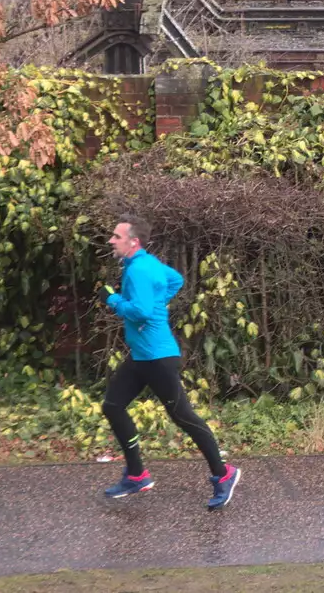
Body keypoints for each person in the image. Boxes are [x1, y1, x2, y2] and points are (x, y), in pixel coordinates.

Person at [100, 215, 240, 509]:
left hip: (158, 358)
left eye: (116, 236)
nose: (111, 240)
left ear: (133, 241)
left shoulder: (138, 270)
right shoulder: (146, 264)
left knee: (183, 417)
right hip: (143, 357)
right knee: (112, 405)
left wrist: (112, 301)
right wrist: (157, 301)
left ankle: (224, 474)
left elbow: (138, 312)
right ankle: (137, 475)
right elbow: (176, 279)